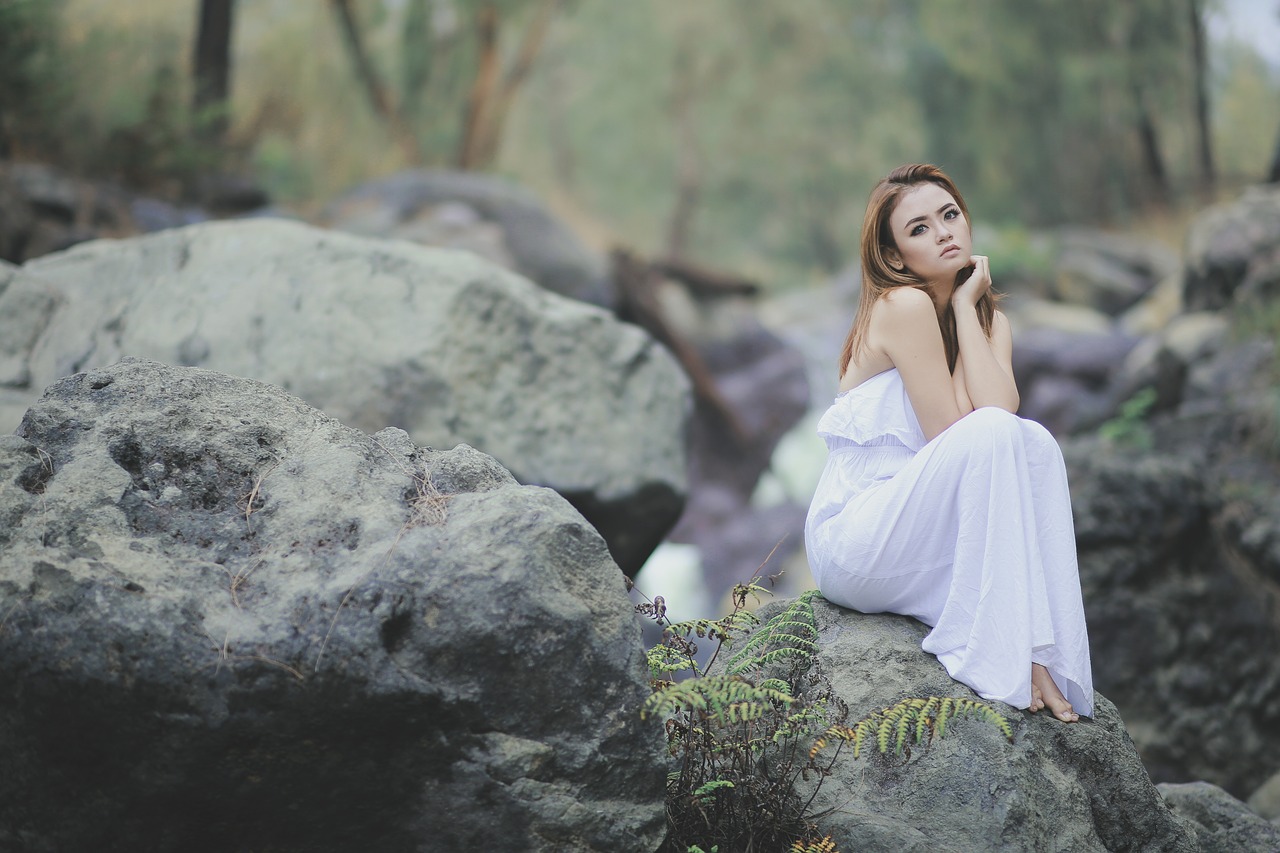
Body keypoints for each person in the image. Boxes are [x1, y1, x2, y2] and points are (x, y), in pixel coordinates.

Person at [804, 163, 1094, 722]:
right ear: (893, 257)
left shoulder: (991, 323)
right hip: (857, 537)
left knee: (1034, 444)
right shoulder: (901, 306)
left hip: (923, 531)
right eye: (919, 228)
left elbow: (999, 417)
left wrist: (966, 311)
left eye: (950, 214)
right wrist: (962, 312)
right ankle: (1014, 652)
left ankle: (1038, 651)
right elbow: (957, 434)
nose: (943, 232)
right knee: (996, 434)